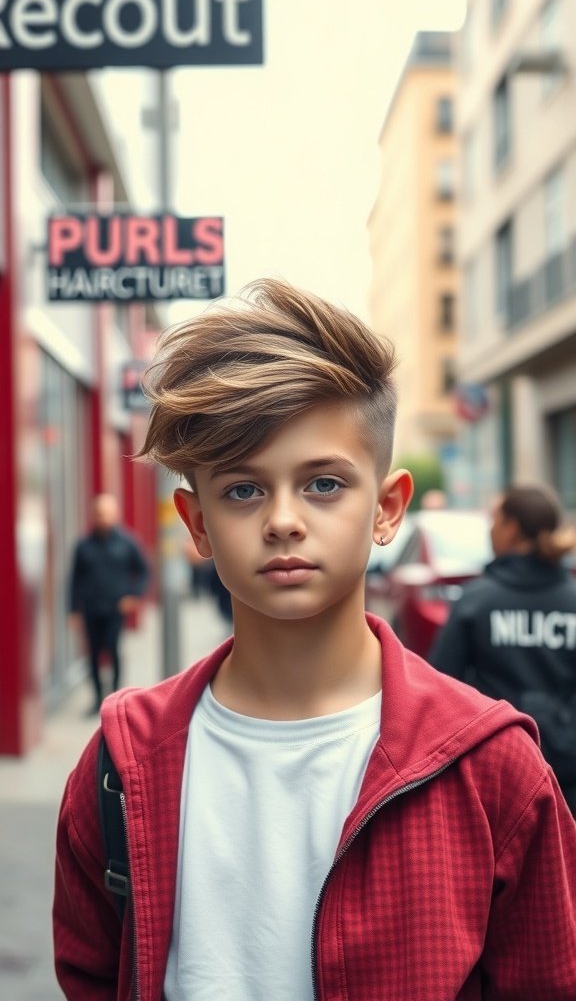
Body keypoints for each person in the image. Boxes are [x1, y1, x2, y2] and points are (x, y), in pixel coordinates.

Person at [54, 280, 576, 1000]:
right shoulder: (121, 764)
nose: (284, 520)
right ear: (196, 523)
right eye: (241, 489)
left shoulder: (493, 772)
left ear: (387, 508)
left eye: (324, 483)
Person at [429, 483, 576, 813]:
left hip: (495, 776)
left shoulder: (477, 601)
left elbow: (441, 688)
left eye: (495, 520)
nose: (490, 530)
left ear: (511, 529)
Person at [68, 492, 150, 714]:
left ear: (115, 515)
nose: (102, 517)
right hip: (91, 609)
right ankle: (96, 699)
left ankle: (114, 698)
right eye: (99, 513)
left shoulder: (127, 542)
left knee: (113, 651)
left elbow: (143, 570)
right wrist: (73, 610)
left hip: (115, 609)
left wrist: (134, 595)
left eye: (106, 513)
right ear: (93, 515)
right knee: (93, 655)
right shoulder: (83, 545)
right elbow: (74, 579)